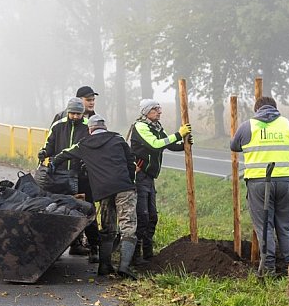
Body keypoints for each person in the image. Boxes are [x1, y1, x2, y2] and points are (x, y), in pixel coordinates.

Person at [51, 114, 139, 279]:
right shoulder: (118, 139)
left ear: (90, 129)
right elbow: (131, 161)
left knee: (107, 228)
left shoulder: (84, 144)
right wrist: (130, 179)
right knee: (128, 227)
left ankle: (104, 266)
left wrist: (53, 163)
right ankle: (124, 267)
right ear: (104, 127)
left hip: (103, 191)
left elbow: (65, 153)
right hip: (123, 188)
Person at [230, 96, 289, 276]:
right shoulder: (288, 125)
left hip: (259, 183)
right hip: (285, 181)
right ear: (275, 107)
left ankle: (268, 269)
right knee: (286, 226)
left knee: (264, 226)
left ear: (256, 109)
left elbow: (234, 145)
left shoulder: (247, 126)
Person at [126, 99, 191, 265]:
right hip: (139, 177)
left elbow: (167, 144)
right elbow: (155, 145)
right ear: (146, 111)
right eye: (156, 109)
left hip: (149, 177)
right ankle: (135, 257)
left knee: (152, 216)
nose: (160, 112)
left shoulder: (156, 126)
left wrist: (183, 144)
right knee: (143, 216)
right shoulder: (140, 127)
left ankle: (148, 253)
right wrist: (178, 134)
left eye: (159, 109)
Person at [39, 98, 100, 261]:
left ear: (83, 114)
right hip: (57, 176)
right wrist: (44, 153)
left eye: (78, 114)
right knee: (54, 210)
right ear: (67, 111)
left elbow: (92, 149)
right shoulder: (58, 126)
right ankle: (52, 246)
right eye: (72, 113)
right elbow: (49, 145)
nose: (75, 116)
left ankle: (94, 248)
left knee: (87, 210)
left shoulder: (88, 127)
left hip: (81, 177)